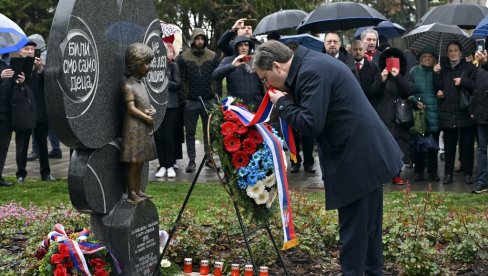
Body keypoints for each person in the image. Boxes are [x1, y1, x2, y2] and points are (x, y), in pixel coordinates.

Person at [252, 40, 403, 275]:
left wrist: (281, 103)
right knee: (369, 231)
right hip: (365, 154)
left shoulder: (310, 73)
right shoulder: (310, 63)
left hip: (356, 160)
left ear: (276, 66)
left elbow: (311, 123)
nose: (266, 84)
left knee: (355, 234)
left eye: (264, 78)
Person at [177, 28, 219, 173]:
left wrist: (216, 97)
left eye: (202, 39)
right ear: (193, 40)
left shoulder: (213, 56)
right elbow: (181, 80)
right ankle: (192, 160)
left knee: (209, 132)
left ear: (205, 40)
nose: (200, 41)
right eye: (197, 39)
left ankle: (210, 159)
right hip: (191, 101)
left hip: (209, 100)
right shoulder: (183, 58)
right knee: (190, 132)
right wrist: (184, 99)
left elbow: (217, 78)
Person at [434, 41, 477, 185]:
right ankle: (448, 174)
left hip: (465, 112)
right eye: (450, 51)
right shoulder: (443, 69)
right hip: (448, 112)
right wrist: (438, 88)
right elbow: (438, 87)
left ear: (460, 53)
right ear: (447, 53)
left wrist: (463, 81)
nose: (452, 53)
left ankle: (468, 173)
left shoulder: (469, 67)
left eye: (455, 50)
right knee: (449, 146)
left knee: (467, 145)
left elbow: (476, 86)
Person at [368, 47, 413, 185]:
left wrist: (397, 76)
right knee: (384, 147)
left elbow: (408, 90)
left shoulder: (404, 74)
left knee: (399, 146)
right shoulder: (380, 74)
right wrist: (382, 80)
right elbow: (373, 92)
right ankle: (383, 175)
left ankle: (396, 174)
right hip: (384, 116)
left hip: (400, 117)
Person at [120, 43, 157, 204]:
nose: (149, 67)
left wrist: (150, 110)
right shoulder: (128, 85)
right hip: (133, 128)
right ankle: (131, 193)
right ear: (135, 64)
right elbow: (130, 109)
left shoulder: (141, 83)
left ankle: (138, 189)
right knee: (134, 162)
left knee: (141, 161)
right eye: (146, 63)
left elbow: (143, 103)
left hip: (142, 127)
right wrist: (146, 117)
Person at [15, 40, 55, 183]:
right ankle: (21, 173)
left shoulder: (38, 67)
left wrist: (41, 70)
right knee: (22, 145)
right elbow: (15, 89)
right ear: (20, 52)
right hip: (24, 112)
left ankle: (46, 173)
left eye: (32, 49)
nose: (31, 52)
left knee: (43, 144)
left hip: (40, 112)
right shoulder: (17, 68)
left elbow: (48, 85)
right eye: (27, 49)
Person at [26, 34, 62, 161]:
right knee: (51, 125)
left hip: (42, 96)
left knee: (37, 124)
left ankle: (36, 150)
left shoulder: (41, 58)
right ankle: (56, 149)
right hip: (51, 97)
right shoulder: (51, 55)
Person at [409, 46, 441, 182]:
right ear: (420, 58)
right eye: (424, 56)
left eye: (430, 57)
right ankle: (418, 172)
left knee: (433, 145)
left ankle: (433, 172)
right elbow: (408, 91)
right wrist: (415, 101)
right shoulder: (414, 71)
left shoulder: (439, 72)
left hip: (435, 113)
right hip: (419, 114)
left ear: (434, 59)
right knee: (419, 145)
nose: (427, 59)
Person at [212, 36, 264, 110]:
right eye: (240, 45)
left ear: (250, 47)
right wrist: (232, 65)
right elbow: (215, 76)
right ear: (236, 47)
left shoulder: (256, 60)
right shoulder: (228, 60)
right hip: (236, 106)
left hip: (257, 105)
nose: (244, 47)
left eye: (246, 45)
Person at [154, 39, 181, 178]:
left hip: (171, 106)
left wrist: (165, 82)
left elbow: (177, 83)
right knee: (158, 136)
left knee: (168, 136)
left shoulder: (173, 66)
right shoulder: (153, 67)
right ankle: (162, 164)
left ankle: (170, 165)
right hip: (156, 106)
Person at [0, 53, 21, 187]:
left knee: (3, 147)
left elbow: (9, 88)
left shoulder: (6, 64)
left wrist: (18, 82)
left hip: (6, 112)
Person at [472, 47, 488, 193]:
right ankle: (482, 181)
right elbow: (474, 88)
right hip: (482, 113)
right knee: (482, 149)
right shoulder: (480, 65)